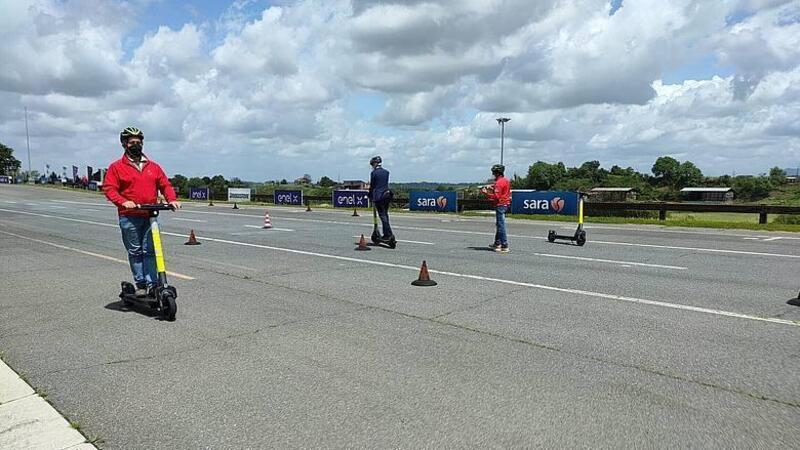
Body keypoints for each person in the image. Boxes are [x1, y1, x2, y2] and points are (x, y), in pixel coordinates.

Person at [103, 127, 180, 297]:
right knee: (136, 251)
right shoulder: (116, 167)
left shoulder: (153, 166)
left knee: (151, 251)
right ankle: (141, 284)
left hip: (149, 215)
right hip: (129, 216)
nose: (136, 145)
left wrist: (171, 199)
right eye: (132, 142)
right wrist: (124, 202)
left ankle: (153, 284)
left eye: (139, 142)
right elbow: (109, 189)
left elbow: (165, 185)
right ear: (124, 144)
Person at [482, 164, 511, 253]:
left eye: (494, 173)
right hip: (505, 203)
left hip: (500, 204)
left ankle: (504, 245)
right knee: (499, 224)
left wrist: (486, 193)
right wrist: (493, 187)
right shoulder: (505, 181)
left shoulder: (499, 183)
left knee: (501, 225)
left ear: (496, 173)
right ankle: (497, 243)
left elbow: (496, 196)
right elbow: (501, 189)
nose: (493, 174)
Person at [368, 156, 395, 245]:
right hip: (387, 194)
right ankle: (386, 233)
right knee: (385, 215)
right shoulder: (386, 172)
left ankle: (389, 234)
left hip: (379, 197)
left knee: (382, 215)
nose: (372, 166)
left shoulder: (374, 173)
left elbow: (372, 186)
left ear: (375, 164)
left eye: (372, 164)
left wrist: (370, 195)